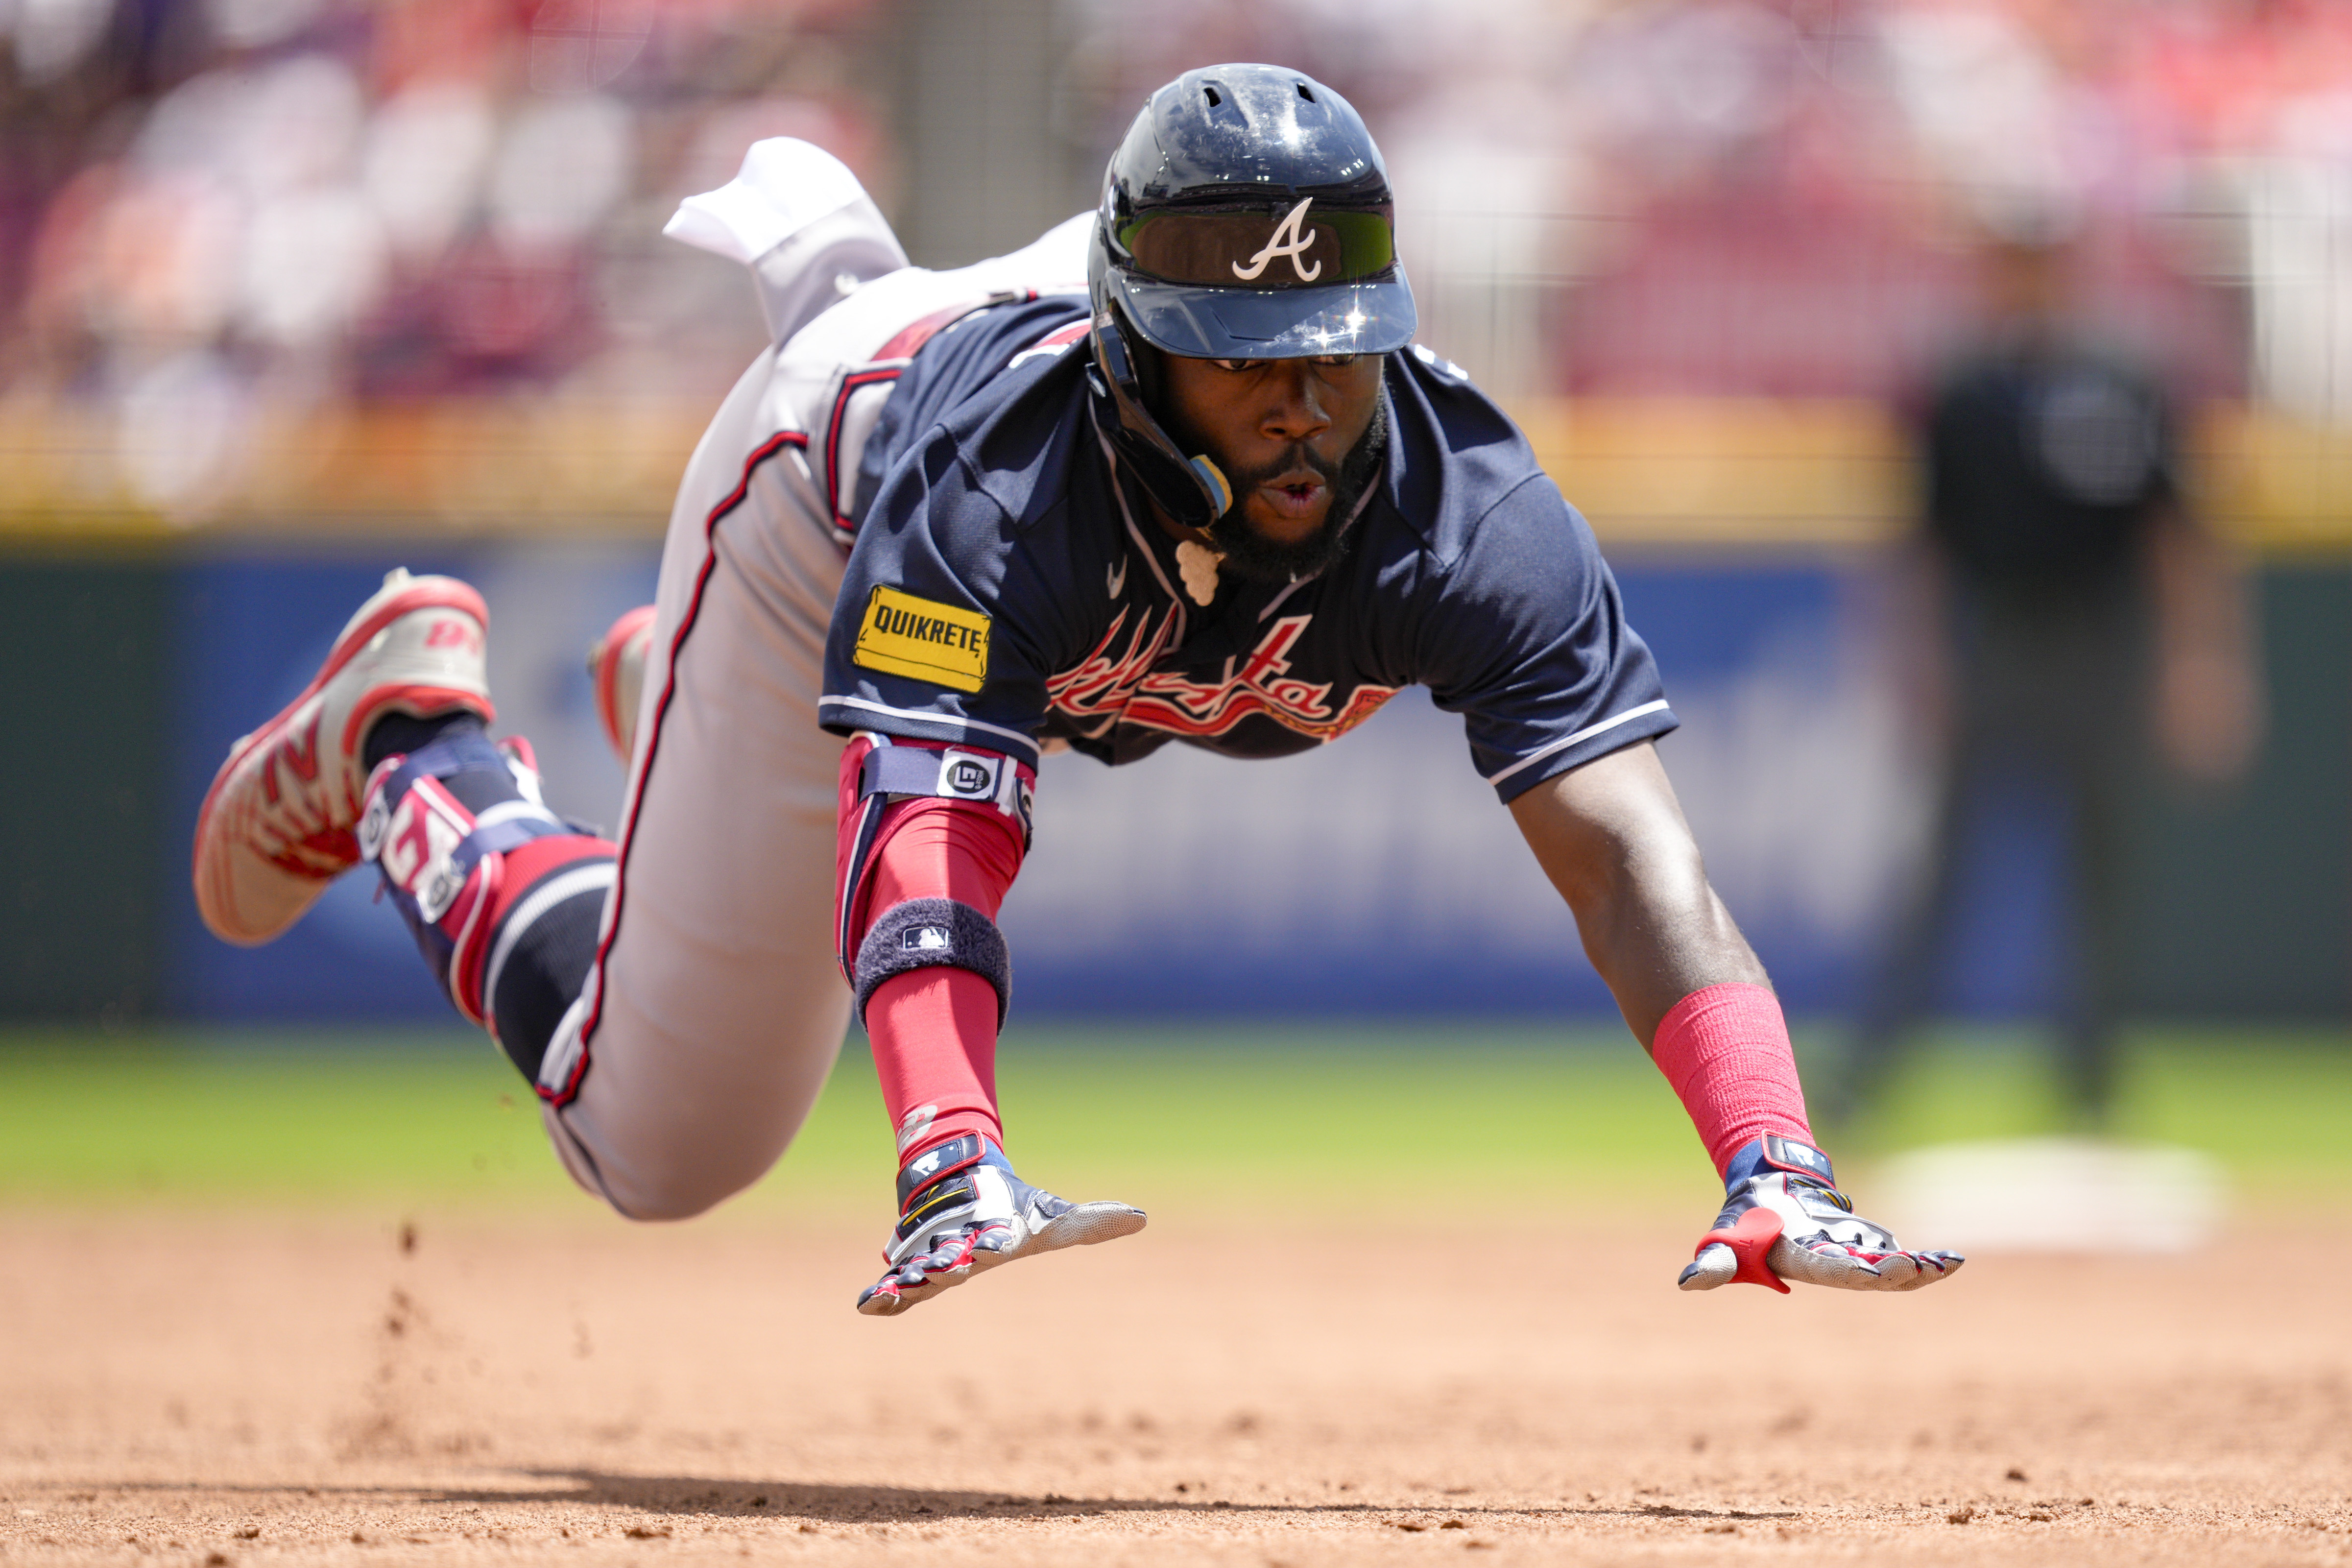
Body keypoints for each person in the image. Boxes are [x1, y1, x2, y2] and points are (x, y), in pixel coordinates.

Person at [193, 65, 1960, 1311]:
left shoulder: (1468, 507)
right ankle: (419, 752)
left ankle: (706, 730)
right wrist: (952, 1148)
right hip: (834, 481)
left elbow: (1633, 859)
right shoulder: (999, 482)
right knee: (662, 1143)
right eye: (1244, 368)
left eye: (1335, 360)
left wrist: (1772, 1155)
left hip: (1005, 433)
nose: (1300, 408)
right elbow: (930, 836)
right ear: (1132, 360)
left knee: (801, 868)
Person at [1835, 227, 2262, 1130]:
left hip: (2100, 642)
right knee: (1939, 877)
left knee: (2100, 875)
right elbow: (1919, 540)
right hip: (1995, 643)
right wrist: (1913, 658)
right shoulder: (1961, 392)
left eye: (2037, 255)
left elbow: (2178, 535)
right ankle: (1870, 1077)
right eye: (2009, 255)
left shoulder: (2125, 380)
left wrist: (2203, 659)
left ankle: (2091, 1089)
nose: (2022, 275)